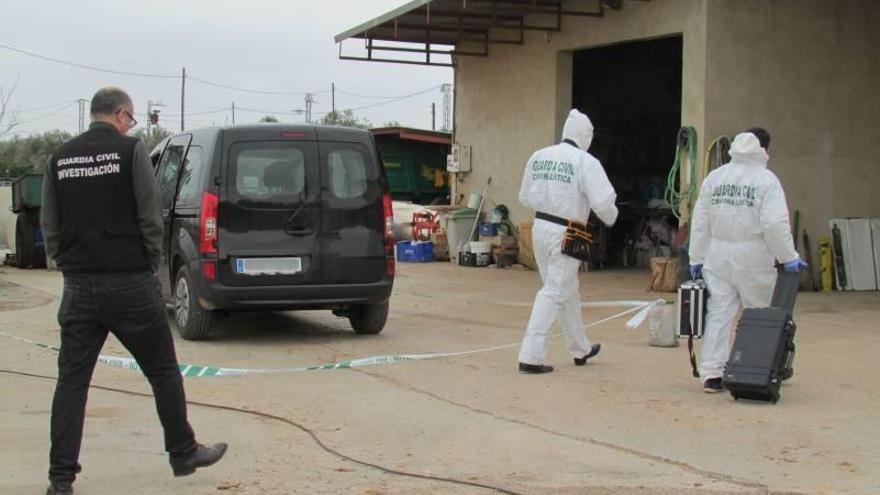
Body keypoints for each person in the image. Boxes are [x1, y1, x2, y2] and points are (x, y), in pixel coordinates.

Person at [40, 87, 227, 495]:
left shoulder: (60, 157)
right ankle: (183, 453)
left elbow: (50, 224)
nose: (131, 125)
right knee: (162, 371)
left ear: (93, 115)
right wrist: (146, 267)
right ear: (122, 115)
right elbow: (150, 215)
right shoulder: (130, 151)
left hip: (79, 286)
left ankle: (60, 480)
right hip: (129, 282)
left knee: (71, 383)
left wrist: (66, 264)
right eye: (131, 119)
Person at [688, 128, 806, 393]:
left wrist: (696, 256)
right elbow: (774, 223)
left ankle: (712, 373)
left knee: (719, 313)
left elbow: (700, 221)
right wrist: (789, 257)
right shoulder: (766, 180)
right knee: (758, 314)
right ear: (764, 150)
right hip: (753, 256)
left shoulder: (715, 177)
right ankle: (757, 368)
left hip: (717, 254)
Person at [516, 109, 619, 374]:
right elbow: (604, 203)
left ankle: (580, 348)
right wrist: (611, 217)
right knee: (554, 291)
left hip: (540, 226)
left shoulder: (539, 156)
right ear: (586, 136)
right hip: (568, 232)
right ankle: (531, 355)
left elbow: (524, 196)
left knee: (566, 290)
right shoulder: (586, 162)